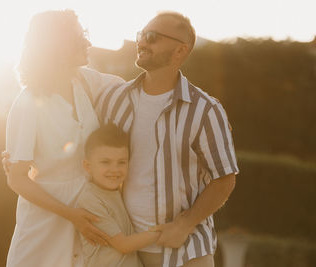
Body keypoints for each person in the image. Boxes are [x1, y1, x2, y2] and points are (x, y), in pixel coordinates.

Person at [95, 11, 239, 267]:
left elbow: (225, 177)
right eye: (141, 35)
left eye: (152, 37)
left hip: (186, 252)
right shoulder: (113, 99)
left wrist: (185, 224)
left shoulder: (205, 110)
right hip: (127, 251)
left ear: (180, 51)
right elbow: (86, 146)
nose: (141, 43)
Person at [4, 10, 124, 267]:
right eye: (81, 38)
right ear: (58, 46)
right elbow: (16, 179)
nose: (89, 43)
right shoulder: (27, 103)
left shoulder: (86, 82)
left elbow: (134, 89)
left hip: (88, 215)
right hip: (44, 222)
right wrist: (71, 215)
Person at [78, 124, 161, 267]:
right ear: (88, 166)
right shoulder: (91, 199)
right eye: (105, 162)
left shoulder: (122, 192)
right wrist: (163, 232)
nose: (114, 170)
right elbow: (123, 245)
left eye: (121, 162)